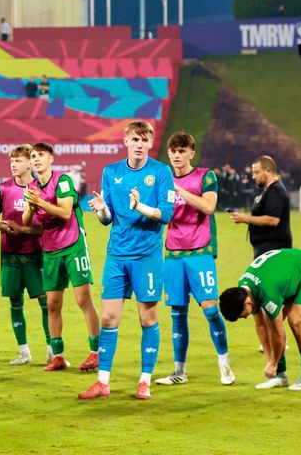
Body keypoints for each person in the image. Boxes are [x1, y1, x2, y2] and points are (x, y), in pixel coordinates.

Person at [80, 120, 175, 400]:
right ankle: (102, 382)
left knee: (148, 318)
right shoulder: (112, 172)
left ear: (150, 143)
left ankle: (144, 381)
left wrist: (139, 207)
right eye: (134, 139)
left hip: (147, 255)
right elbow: (108, 219)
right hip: (117, 255)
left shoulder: (161, 172)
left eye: (144, 140)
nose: (139, 145)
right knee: (108, 318)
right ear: (126, 141)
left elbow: (166, 214)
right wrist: (100, 210)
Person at [155, 132, 234, 387]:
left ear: (191, 153)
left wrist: (177, 189)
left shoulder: (205, 176)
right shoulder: (161, 180)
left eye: (182, 151)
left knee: (210, 309)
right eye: (173, 151)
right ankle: (180, 370)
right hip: (173, 254)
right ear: (169, 154)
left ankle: (224, 363)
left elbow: (208, 207)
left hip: (200, 251)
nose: (177, 155)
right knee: (177, 312)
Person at [21, 143, 101, 372]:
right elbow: (27, 221)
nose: (36, 159)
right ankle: (58, 356)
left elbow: (66, 213)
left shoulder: (62, 181)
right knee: (53, 303)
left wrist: (41, 203)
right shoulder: (33, 186)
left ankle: (96, 352)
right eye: (33, 156)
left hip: (74, 244)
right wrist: (30, 207)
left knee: (83, 299)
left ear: (51, 159)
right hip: (50, 248)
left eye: (40, 156)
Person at [219, 248, 301, 391]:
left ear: (248, 303)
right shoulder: (244, 288)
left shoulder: (267, 292)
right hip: (291, 276)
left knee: (296, 321)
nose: (245, 317)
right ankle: (281, 376)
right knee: (269, 323)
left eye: (242, 315)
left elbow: (278, 334)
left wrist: (273, 362)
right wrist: (270, 360)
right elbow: (261, 325)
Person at [229, 155, 293, 367]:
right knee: (267, 300)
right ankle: (276, 337)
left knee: (269, 298)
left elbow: (273, 220)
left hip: (273, 252)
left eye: (256, 172)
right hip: (263, 251)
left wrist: (246, 218)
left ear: (268, 171)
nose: (254, 176)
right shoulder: (266, 191)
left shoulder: (276, 191)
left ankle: (278, 340)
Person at [0, 145, 51, 366]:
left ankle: (51, 348)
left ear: (30, 163)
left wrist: (23, 230)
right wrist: (3, 226)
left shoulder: (40, 189)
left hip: (35, 254)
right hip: (9, 255)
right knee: (14, 302)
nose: (14, 165)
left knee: (45, 303)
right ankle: (23, 351)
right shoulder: (2, 189)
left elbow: (47, 225)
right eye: (12, 161)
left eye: (18, 160)